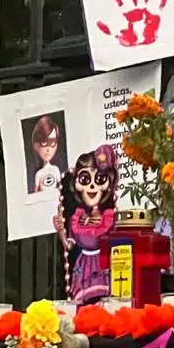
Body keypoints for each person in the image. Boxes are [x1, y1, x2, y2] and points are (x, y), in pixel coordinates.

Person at [54, 146, 119, 304]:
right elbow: (69, 246)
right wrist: (61, 231)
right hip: (83, 268)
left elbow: (102, 238)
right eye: (85, 179)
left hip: (103, 265)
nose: (91, 186)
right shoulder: (78, 216)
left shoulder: (109, 215)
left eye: (99, 179)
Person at [25, 115, 67, 194]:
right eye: (44, 142)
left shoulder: (55, 170)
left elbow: (62, 187)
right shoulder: (39, 174)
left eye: (52, 142)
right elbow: (35, 193)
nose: (48, 149)